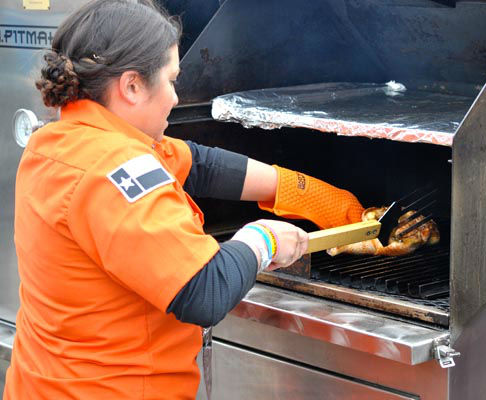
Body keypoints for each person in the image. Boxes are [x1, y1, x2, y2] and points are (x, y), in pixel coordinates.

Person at [3, 1, 364, 399]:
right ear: (132, 86)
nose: (176, 97)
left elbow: (200, 164)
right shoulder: (112, 169)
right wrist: (265, 239)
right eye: (172, 80)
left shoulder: (61, 139)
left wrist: (298, 188)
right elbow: (203, 291)